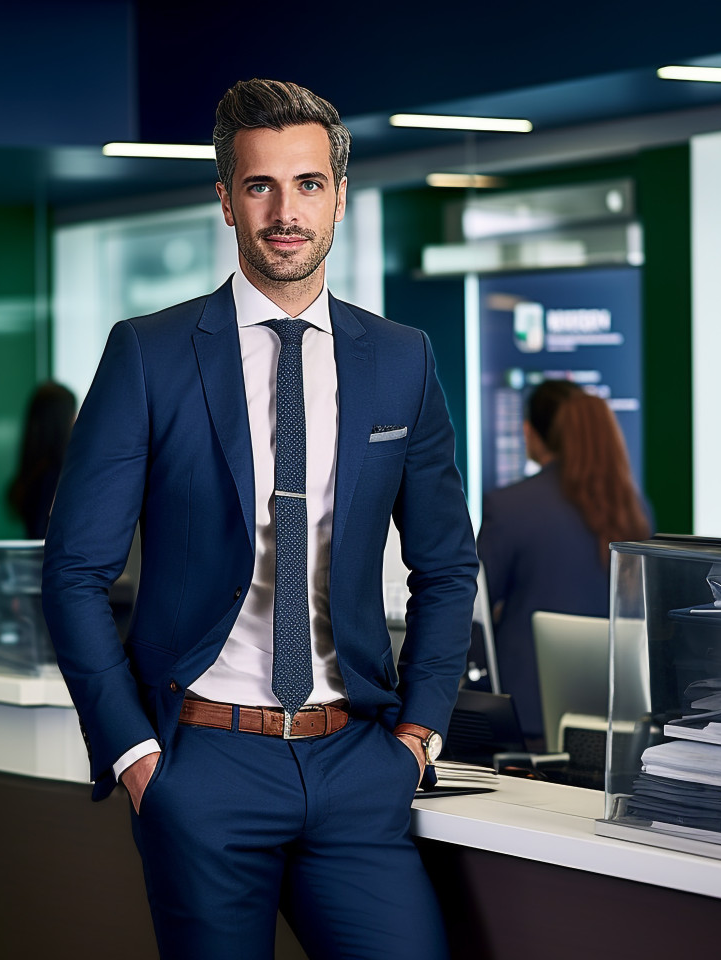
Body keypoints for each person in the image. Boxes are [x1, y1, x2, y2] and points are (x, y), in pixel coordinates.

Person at [42, 78, 478, 960]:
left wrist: (419, 737)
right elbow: (75, 572)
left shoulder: (401, 359)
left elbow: (446, 565)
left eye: (308, 184)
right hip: (204, 763)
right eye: (260, 186)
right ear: (226, 200)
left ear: (340, 197)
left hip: (356, 762)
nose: (286, 211)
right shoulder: (150, 353)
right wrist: (133, 756)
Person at [477, 380, 651, 746]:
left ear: (531, 433)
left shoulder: (510, 506)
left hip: (526, 721)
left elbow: (469, 607)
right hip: (615, 719)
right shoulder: (631, 510)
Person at [7, 381, 76, 539]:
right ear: (61, 420)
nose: (76, 419)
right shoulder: (56, 475)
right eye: (73, 412)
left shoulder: (34, 471)